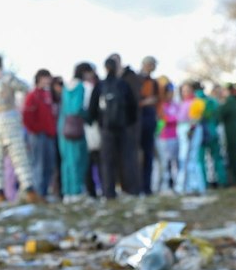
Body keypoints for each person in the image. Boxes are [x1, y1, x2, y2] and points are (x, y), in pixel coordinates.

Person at [0, 55, 38, 203]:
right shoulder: (7, 78)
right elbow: (26, 88)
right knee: (19, 157)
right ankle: (29, 189)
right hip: (10, 119)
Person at [89, 54, 141, 197]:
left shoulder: (100, 85)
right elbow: (133, 107)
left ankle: (108, 191)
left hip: (106, 129)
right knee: (126, 159)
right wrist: (128, 122)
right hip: (123, 128)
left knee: (107, 161)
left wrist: (99, 122)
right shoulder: (123, 85)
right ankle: (130, 189)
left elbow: (91, 110)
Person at [22, 68, 61, 199]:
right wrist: (36, 129)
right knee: (38, 164)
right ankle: (38, 193)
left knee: (49, 165)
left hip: (50, 135)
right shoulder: (33, 95)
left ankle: (44, 192)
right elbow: (27, 116)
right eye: (46, 78)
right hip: (38, 136)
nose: (49, 81)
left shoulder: (49, 95)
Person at [60, 63, 93, 199]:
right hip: (75, 126)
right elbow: (77, 107)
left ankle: (67, 191)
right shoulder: (80, 87)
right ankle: (76, 190)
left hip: (63, 125)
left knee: (66, 160)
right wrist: (89, 117)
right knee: (78, 159)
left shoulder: (66, 87)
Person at [135, 56, 161, 193]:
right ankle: (137, 185)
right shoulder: (136, 79)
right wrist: (145, 102)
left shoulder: (153, 82)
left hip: (150, 121)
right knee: (137, 155)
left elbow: (156, 99)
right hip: (138, 121)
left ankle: (147, 186)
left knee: (148, 154)